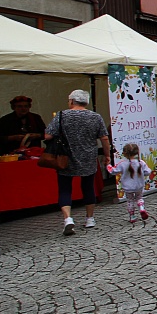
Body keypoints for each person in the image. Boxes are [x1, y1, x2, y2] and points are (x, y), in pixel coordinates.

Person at [45, 89, 110, 235]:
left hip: (66, 157)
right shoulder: (95, 117)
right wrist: (107, 155)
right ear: (86, 102)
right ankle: (90, 218)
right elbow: (104, 138)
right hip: (88, 157)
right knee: (88, 187)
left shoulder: (61, 115)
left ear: (71, 101)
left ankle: (68, 219)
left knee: (65, 188)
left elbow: (48, 135)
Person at [106, 143, 152, 224]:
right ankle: (141, 207)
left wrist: (108, 165)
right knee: (139, 198)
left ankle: (132, 216)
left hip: (128, 188)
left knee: (130, 201)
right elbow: (148, 172)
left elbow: (113, 171)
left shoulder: (122, 164)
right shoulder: (141, 162)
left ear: (125, 153)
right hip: (139, 185)